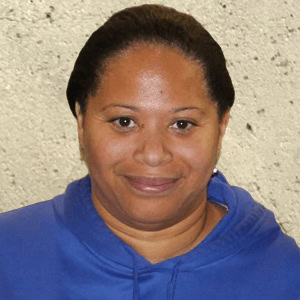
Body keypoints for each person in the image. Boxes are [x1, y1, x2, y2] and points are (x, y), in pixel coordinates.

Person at [0, 4, 299, 299]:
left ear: (220, 127)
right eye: (124, 121)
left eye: (182, 124)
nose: (153, 154)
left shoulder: (285, 275)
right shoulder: (9, 256)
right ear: (81, 122)